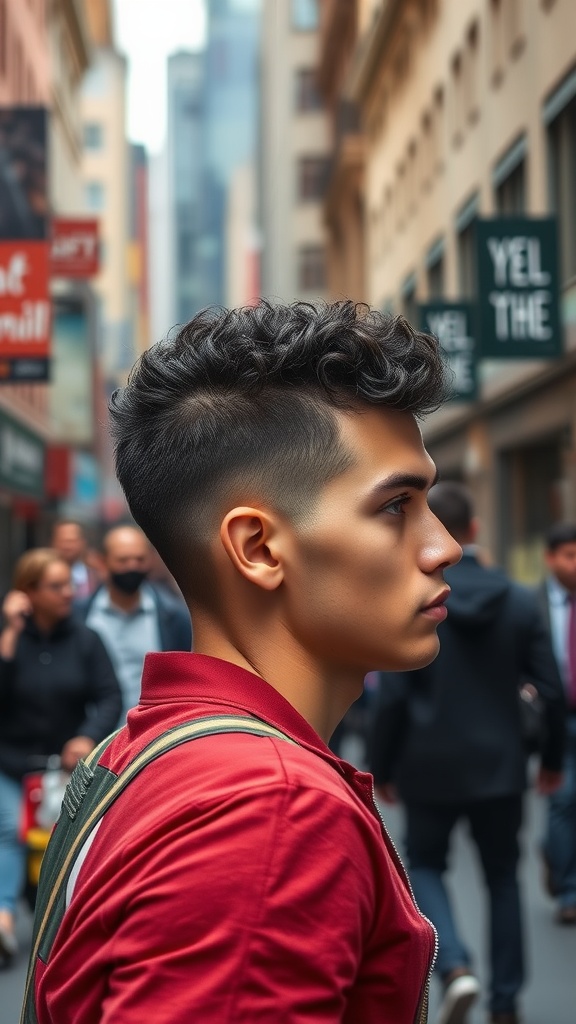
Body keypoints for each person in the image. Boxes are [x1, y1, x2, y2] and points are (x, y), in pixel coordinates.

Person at [31, 300, 462, 1024]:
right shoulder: (271, 807)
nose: (443, 545)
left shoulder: (140, 751)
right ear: (258, 548)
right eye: (395, 507)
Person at [369, 482, 566, 1024]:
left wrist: (381, 768)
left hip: (426, 764)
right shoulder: (520, 600)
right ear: (475, 530)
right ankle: (506, 1002)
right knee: (503, 877)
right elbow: (550, 691)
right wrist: (551, 760)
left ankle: (454, 965)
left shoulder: (416, 597)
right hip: (502, 766)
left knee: (427, 864)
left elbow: (394, 698)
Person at [0, 548, 121, 963]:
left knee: (64, 841)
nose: (69, 592)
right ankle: (3, 919)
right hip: (11, 764)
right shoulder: (9, 639)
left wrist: (86, 736)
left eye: (70, 583)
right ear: (27, 592)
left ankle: (64, 926)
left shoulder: (87, 639)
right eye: (56, 586)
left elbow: (110, 696)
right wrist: (10, 638)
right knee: (12, 830)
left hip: (67, 771)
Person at [76, 524, 192, 724]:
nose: (132, 567)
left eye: (139, 559)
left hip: (153, 738)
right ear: (103, 562)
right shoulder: (81, 616)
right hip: (93, 739)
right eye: (123, 560)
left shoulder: (173, 617)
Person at [538, 522, 576, 924]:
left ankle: (555, 853)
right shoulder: (532, 605)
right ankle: (569, 892)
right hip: (555, 718)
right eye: (570, 556)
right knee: (564, 800)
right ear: (550, 559)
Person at [51, 520, 103, 599]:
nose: (67, 546)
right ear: (53, 542)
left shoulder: (96, 576)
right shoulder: (44, 576)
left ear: (83, 542)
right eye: (62, 541)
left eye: (72, 541)